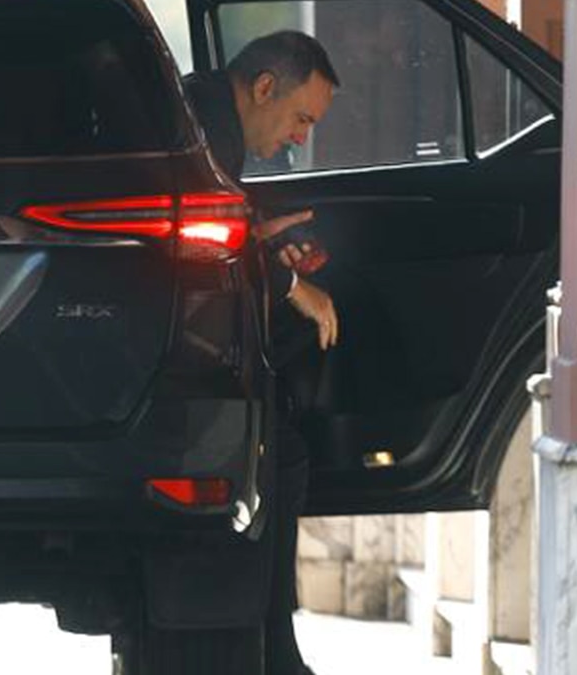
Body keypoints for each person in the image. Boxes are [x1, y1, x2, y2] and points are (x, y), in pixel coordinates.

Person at [183, 30, 340, 675]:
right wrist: (293, 285)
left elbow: (212, 222)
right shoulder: (204, 128)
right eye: (302, 117)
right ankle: (274, 652)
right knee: (278, 453)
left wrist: (260, 239)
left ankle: (275, 646)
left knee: (282, 448)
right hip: (167, 358)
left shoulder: (207, 118)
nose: (302, 137)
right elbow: (194, 229)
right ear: (265, 86)